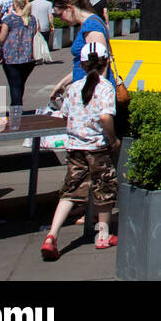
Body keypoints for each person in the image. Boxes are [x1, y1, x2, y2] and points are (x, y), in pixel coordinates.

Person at [41, 41, 120, 260]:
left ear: (83, 64)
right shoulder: (105, 87)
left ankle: (52, 234)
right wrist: (113, 140)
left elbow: (66, 114)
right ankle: (102, 234)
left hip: (75, 147)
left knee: (70, 191)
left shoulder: (74, 87)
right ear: (105, 63)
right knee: (104, 188)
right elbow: (105, 117)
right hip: (97, 146)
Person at [50, 0, 114, 101]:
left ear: (69, 8)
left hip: (92, 93)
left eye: (60, 14)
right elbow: (84, 64)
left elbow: (100, 65)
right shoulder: (89, 24)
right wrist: (63, 83)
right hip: (88, 89)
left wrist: (94, 98)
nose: (61, 19)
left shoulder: (91, 26)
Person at [0, 0, 38, 108]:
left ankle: (16, 110)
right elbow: (35, 33)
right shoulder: (32, 20)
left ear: (15, 4)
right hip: (28, 58)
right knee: (20, 84)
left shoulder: (9, 19)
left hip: (12, 58)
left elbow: (1, 38)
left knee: (14, 85)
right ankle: (17, 107)